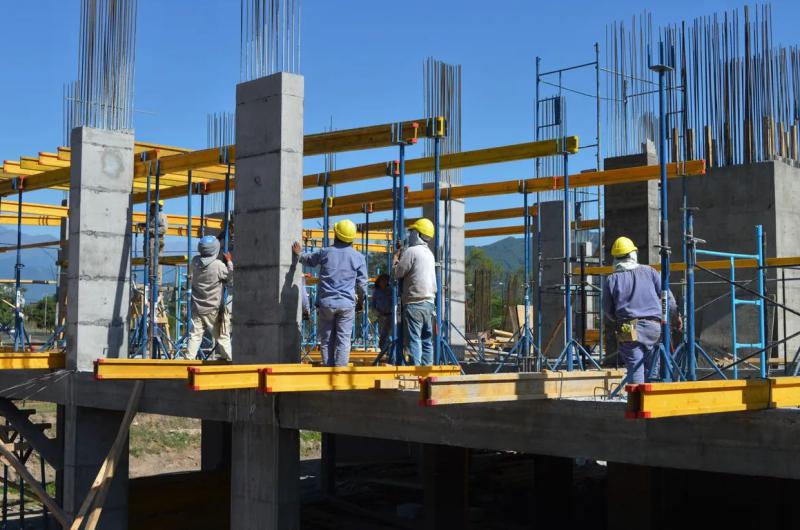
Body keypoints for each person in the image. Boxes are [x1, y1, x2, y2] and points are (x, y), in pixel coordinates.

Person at [602, 236, 680, 384]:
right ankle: (655, 402)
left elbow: (607, 309)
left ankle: (637, 403)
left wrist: (618, 318)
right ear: (633, 254)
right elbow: (667, 298)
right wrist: (675, 317)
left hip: (628, 328)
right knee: (655, 368)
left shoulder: (611, 279)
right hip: (654, 327)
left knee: (635, 367)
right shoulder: (650, 272)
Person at [292, 219, 368, 367]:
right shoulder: (358, 257)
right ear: (352, 238)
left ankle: (328, 370)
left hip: (326, 303)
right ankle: (340, 374)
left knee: (326, 340)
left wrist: (298, 254)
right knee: (343, 340)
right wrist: (360, 302)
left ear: (336, 235)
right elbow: (362, 285)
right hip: (346, 304)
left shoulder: (326, 252)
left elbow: (309, 260)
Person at [393, 218, 437, 365]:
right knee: (426, 340)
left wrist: (395, 259)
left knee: (414, 340)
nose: (410, 234)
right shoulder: (429, 254)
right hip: (429, 302)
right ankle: (427, 372)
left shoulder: (412, 252)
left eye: (412, 231)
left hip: (414, 302)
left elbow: (398, 272)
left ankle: (416, 372)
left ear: (417, 234)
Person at [187, 235, 233, 361]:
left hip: (197, 308)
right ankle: (230, 362)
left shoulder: (195, 262)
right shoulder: (218, 265)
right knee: (223, 337)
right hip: (214, 309)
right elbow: (230, 277)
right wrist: (229, 262)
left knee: (194, 336)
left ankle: (187, 362)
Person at [370, 274, 392, 355]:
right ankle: (385, 353)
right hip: (381, 316)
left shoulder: (391, 290)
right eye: (382, 280)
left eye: (386, 280)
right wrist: (377, 313)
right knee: (382, 337)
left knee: (390, 336)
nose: (384, 282)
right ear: (379, 282)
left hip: (391, 316)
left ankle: (390, 354)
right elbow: (373, 305)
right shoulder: (376, 291)